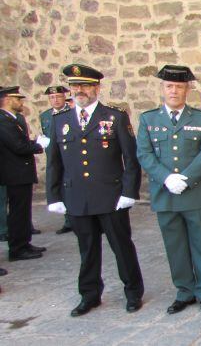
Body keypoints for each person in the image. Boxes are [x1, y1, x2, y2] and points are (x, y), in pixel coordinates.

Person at [46, 64, 144, 317]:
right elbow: (54, 162)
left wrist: (129, 192)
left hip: (110, 196)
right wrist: (54, 195)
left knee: (121, 247)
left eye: (86, 85)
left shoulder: (115, 117)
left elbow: (130, 159)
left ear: (97, 88)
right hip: (77, 196)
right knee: (87, 249)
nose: (80, 90)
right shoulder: (60, 120)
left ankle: (133, 292)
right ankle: (89, 295)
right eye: (75, 86)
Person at [136, 65, 201, 315]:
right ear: (162, 89)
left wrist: (186, 177)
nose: (174, 91)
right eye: (169, 86)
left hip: (193, 192)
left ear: (187, 89)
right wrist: (166, 178)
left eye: (179, 87)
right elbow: (144, 153)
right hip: (165, 194)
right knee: (175, 245)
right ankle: (184, 291)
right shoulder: (149, 119)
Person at [0, 86, 48, 262]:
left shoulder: (11, 119)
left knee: (22, 211)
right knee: (18, 212)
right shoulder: (3, 120)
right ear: (6, 100)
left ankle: (24, 242)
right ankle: (17, 248)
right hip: (15, 174)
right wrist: (39, 145)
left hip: (20, 174)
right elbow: (18, 146)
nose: (21, 102)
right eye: (17, 99)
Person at [41, 85, 74, 235]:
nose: (55, 100)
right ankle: (68, 221)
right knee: (61, 188)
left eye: (58, 97)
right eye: (52, 98)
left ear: (64, 97)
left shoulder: (73, 112)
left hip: (71, 157)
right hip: (56, 158)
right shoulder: (46, 116)